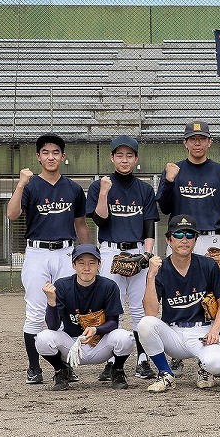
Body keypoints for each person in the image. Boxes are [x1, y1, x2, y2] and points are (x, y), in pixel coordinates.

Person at [155, 120, 220, 378]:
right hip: (181, 238)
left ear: (209, 142)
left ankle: (214, 350)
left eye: (202, 138)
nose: (197, 143)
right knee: (175, 294)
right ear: (185, 142)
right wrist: (169, 182)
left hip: (211, 240)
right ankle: (176, 352)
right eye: (192, 138)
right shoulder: (174, 170)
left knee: (212, 299)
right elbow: (164, 207)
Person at [7, 133, 90, 385]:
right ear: (38, 157)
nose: (50, 157)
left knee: (67, 310)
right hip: (37, 252)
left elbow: (81, 224)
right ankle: (34, 367)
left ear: (63, 157)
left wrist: (88, 254)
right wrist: (20, 184)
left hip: (66, 252)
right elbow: (12, 214)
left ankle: (65, 366)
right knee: (35, 311)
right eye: (45, 152)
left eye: (55, 152)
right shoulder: (31, 185)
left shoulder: (73, 188)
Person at [86, 135, 160, 381]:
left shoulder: (145, 189)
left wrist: (147, 254)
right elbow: (100, 220)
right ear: (112, 158)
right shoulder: (99, 186)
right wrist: (104, 193)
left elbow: (149, 224)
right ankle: (111, 360)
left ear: (136, 159)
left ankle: (142, 360)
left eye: (129, 155)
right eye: (119, 155)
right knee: (112, 308)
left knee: (139, 309)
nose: (124, 160)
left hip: (138, 251)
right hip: (110, 251)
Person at [138, 214, 220, 392]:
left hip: (202, 333)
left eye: (189, 235)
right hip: (173, 334)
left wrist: (215, 330)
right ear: (169, 240)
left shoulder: (208, 265)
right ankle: (166, 374)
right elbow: (151, 312)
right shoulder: (161, 269)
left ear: (196, 240)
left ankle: (205, 369)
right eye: (178, 234)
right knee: (145, 324)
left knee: (216, 364)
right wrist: (150, 276)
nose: (184, 239)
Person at [35, 244, 134, 391]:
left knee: (125, 337)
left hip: (100, 345)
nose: (86, 268)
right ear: (73, 265)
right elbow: (53, 326)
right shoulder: (62, 286)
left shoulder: (109, 286)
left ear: (99, 264)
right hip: (71, 346)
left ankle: (117, 369)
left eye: (91, 263)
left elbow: (113, 323)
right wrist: (51, 302)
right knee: (43, 338)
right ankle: (61, 370)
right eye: (81, 263)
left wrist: (96, 329)